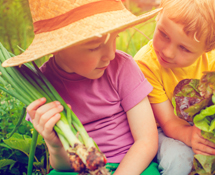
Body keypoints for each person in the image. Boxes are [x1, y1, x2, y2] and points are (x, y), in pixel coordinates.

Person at [2, 0, 161, 174]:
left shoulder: (122, 66)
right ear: (57, 47)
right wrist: (55, 145)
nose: (110, 54)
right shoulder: (41, 88)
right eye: (95, 47)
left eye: (115, 38)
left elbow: (146, 141)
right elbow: (62, 166)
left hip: (131, 164)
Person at [134, 0, 215, 174]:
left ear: (208, 48)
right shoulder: (145, 65)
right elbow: (168, 122)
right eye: (164, 34)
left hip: (197, 126)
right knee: (180, 159)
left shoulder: (214, 58)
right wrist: (190, 136)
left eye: (184, 48)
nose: (168, 52)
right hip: (161, 130)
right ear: (158, 15)